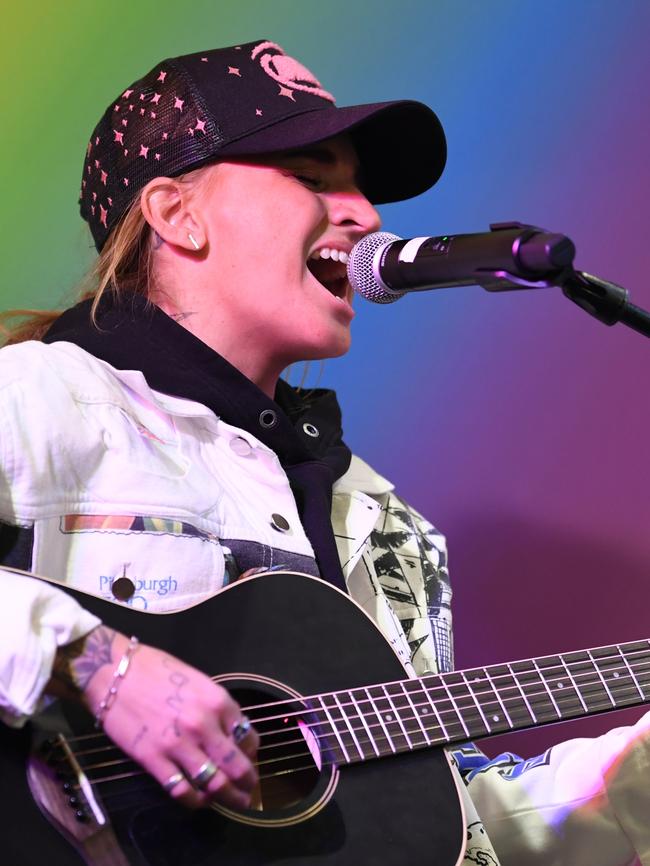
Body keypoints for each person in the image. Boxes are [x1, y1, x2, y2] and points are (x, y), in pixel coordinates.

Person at [1, 38, 649, 866]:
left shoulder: (385, 525)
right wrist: (95, 663)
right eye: (312, 178)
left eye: (360, 187)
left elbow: (437, 823)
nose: (368, 217)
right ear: (174, 214)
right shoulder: (37, 399)